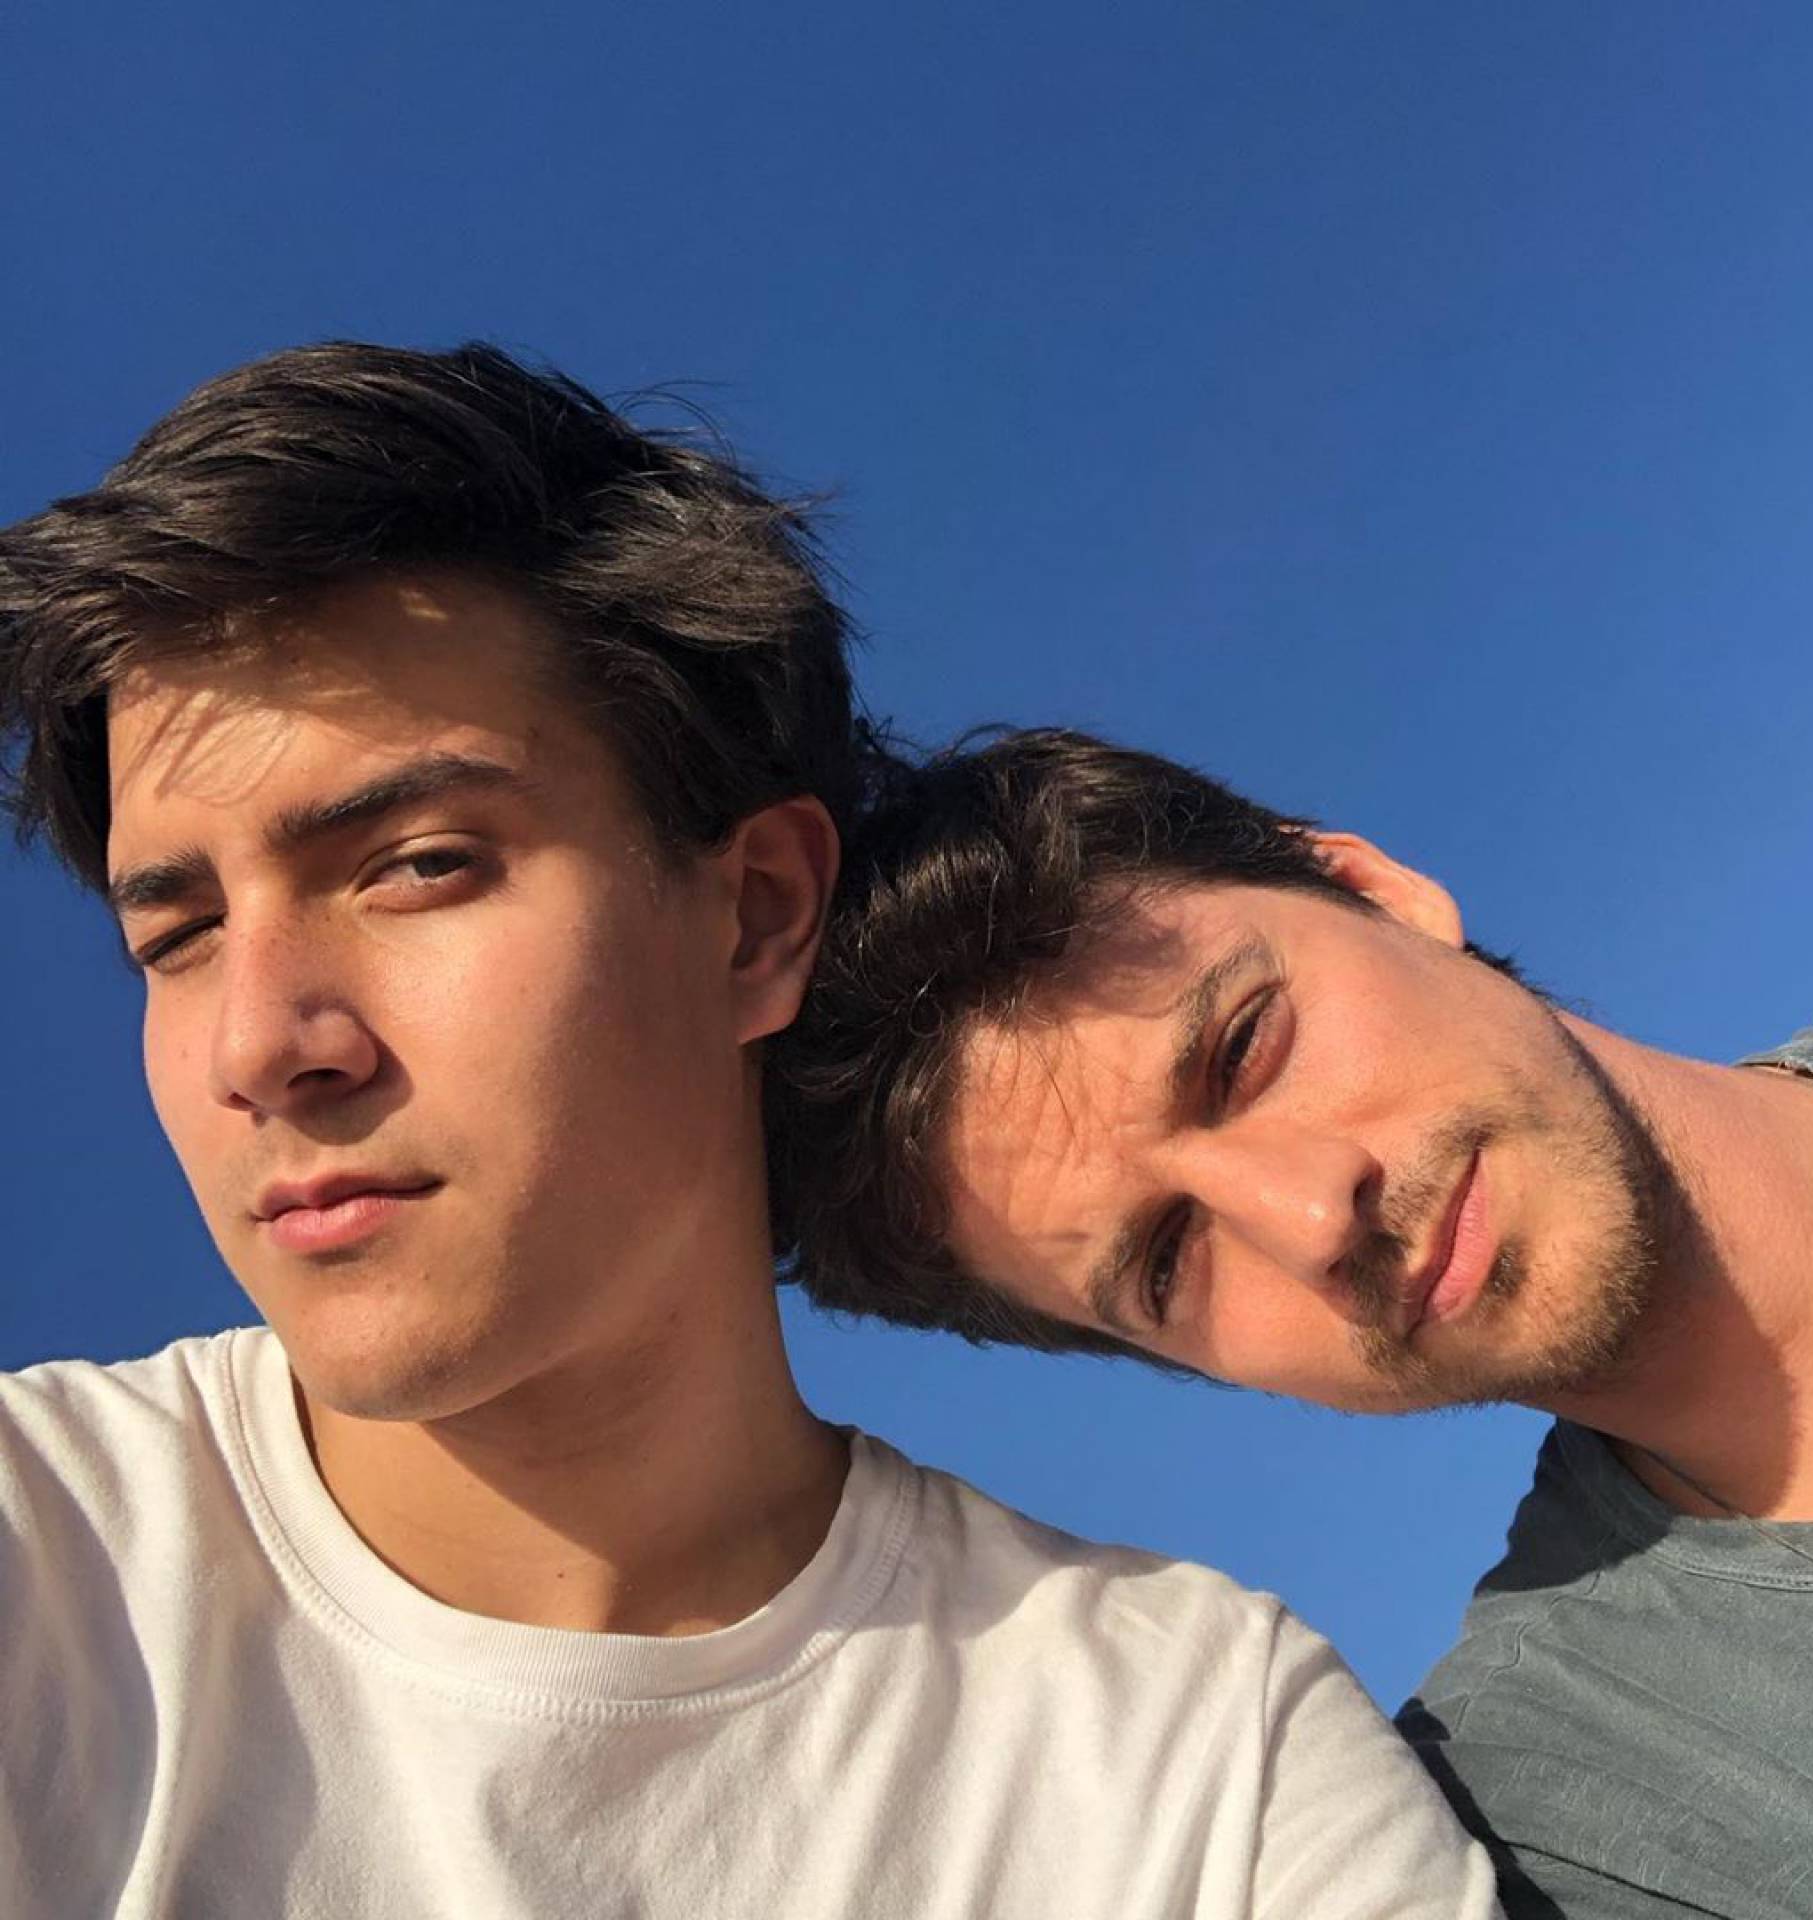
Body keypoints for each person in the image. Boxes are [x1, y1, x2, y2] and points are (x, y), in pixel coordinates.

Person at [0, 347, 1496, 1918]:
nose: (256, 1046)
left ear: (758, 916)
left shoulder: (1194, 1767)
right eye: (177, 937)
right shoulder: (52, 1566)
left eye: (420, 865)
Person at [775, 727, 1813, 1920]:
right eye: (1167, 1259)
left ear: (1377, 890)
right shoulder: (1572, 1823)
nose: (1313, 1216)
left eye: (1244, 1049)